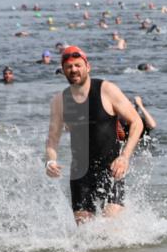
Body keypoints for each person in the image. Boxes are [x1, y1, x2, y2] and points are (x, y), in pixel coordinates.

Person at [45, 45, 143, 224]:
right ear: (64, 71)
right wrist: (50, 161)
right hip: (80, 173)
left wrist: (125, 157)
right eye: (69, 67)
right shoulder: (59, 101)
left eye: (77, 65)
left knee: (111, 224)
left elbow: (137, 122)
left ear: (87, 67)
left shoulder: (107, 90)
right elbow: (52, 139)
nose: (73, 70)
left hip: (111, 168)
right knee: (85, 234)